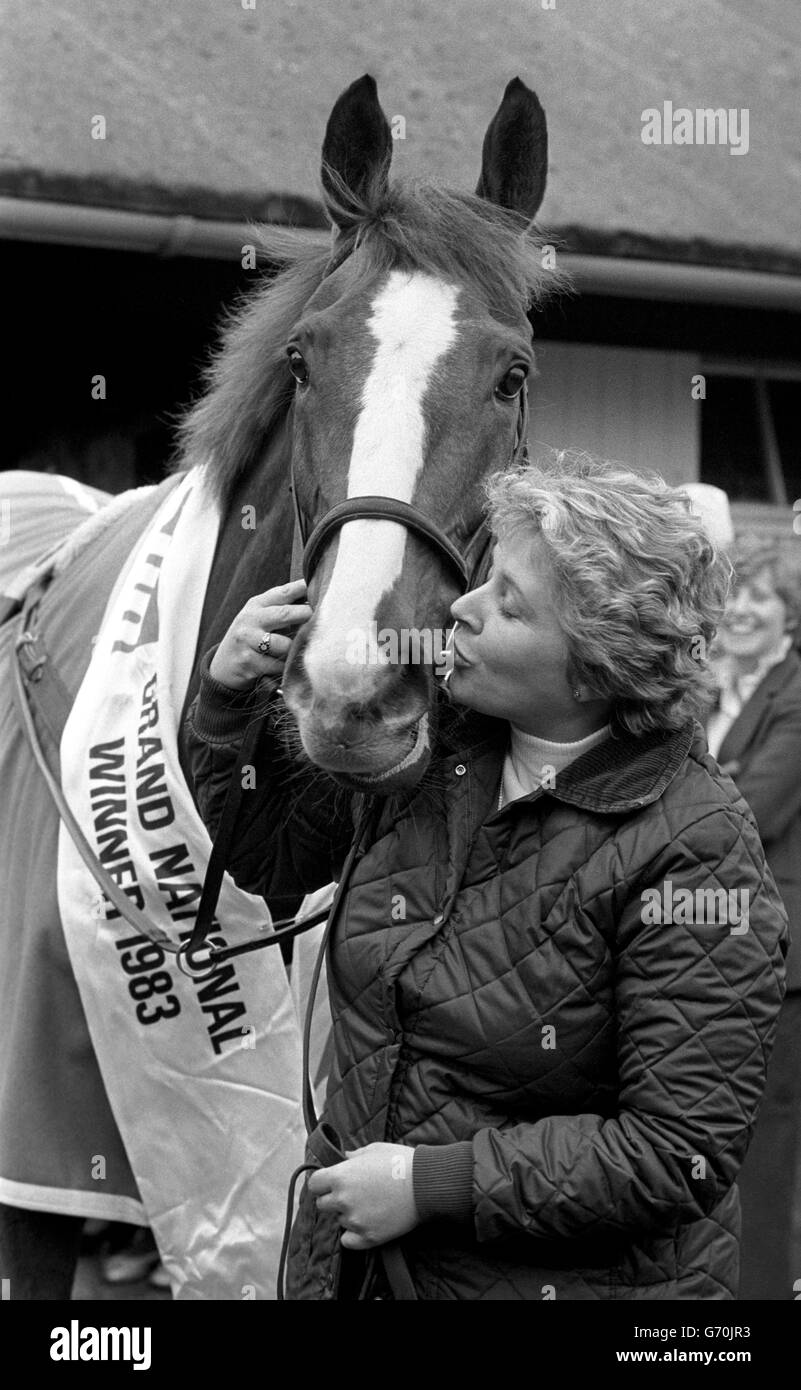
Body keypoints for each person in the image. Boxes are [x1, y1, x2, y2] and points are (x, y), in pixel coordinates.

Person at [185, 456, 788, 1301]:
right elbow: (272, 860)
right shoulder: (433, 744)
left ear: (593, 668)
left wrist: (429, 1185)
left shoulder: (695, 847)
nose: (458, 611)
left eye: (506, 603)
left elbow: (674, 1151)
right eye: (483, 579)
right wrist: (226, 698)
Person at [706, 532, 801, 1300]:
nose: (739, 611)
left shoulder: (796, 693)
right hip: (712, 944)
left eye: (758, 599)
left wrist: (716, 782)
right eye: (732, 596)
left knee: (767, 1148)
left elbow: (756, 808)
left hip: (779, 957)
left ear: (788, 618)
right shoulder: (718, 692)